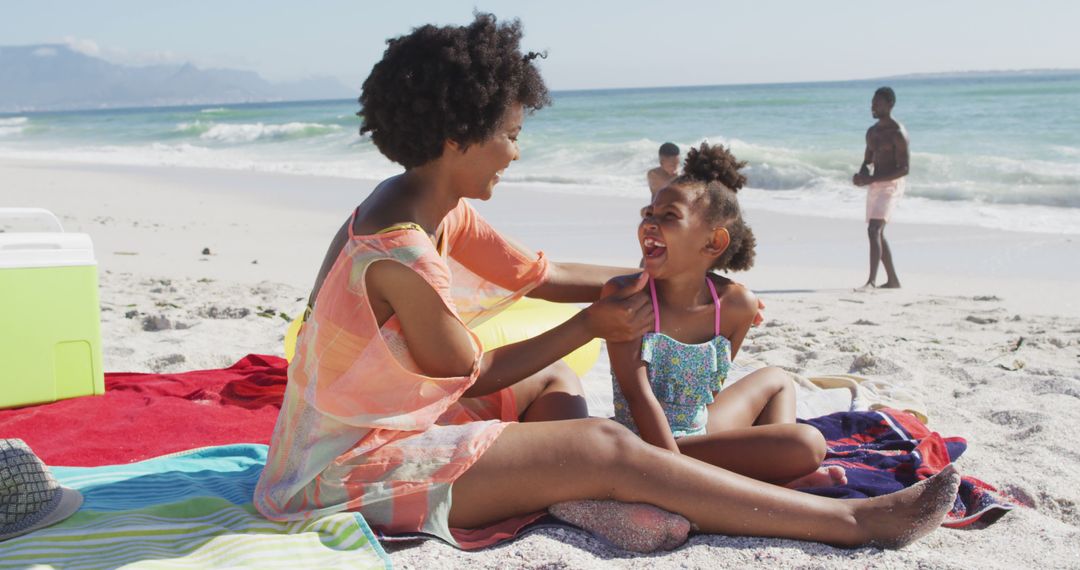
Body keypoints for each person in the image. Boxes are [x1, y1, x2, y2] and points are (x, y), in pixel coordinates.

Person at [254, 14, 959, 554]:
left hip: (391, 423)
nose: (516, 150)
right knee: (601, 441)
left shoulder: (428, 203)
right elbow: (470, 376)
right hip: (341, 478)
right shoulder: (400, 253)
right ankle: (853, 522)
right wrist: (593, 326)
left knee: (555, 378)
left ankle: (577, 498)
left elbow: (547, 275)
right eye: (509, 132)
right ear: (458, 137)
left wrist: (668, 283)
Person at [610, 142, 847, 488]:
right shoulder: (627, 297)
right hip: (643, 447)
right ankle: (777, 480)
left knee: (778, 379)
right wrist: (675, 471)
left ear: (713, 243)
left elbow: (709, 394)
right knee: (806, 443)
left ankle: (777, 475)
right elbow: (637, 396)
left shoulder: (735, 306)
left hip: (698, 433)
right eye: (649, 214)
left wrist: (740, 445)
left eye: (669, 216)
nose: (650, 224)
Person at [853, 86, 909, 289]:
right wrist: (862, 176)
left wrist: (872, 178)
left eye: (877, 103)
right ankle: (893, 280)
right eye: (872, 102)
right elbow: (867, 161)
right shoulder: (872, 132)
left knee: (874, 229)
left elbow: (904, 169)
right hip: (875, 184)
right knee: (877, 232)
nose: (873, 106)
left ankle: (871, 281)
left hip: (892, 185)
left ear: (890, 105)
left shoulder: (898, 133)